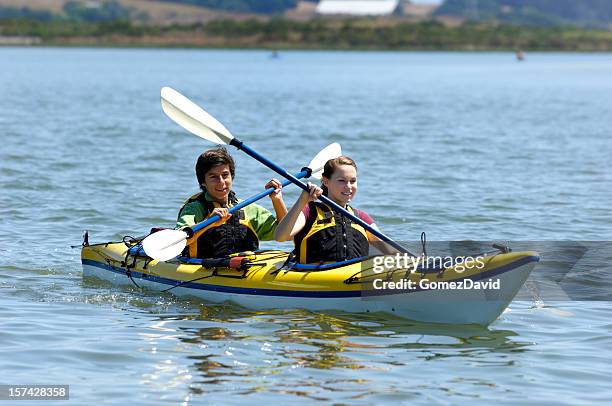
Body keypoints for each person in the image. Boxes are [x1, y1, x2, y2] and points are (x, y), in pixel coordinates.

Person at [275, 156, 392, 263]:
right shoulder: (310, 211)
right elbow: (281, 237)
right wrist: (302, 200)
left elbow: (389, 250)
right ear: (326, 181)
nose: (349, 186)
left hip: (355, 277)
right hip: (315, 278)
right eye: (342, 181)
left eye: (353, 181)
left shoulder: (360, 217)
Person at [177, 146, 287, 259]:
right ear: (203, 182)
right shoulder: (194, 209)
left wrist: (277, 200)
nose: (221, 182)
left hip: (247, 269)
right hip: (201, 269)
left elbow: (286, 234)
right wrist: (209, 222)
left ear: (231, 176)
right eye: (213, 177)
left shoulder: (246, 208)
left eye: (225, 175)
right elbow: (179, 239)